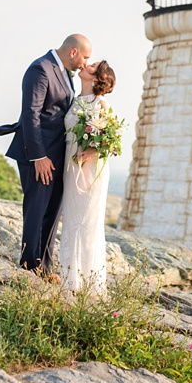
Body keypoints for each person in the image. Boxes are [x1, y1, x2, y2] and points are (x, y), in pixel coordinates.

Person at [0, 34, 91, 274]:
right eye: (86, 57)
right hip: (38, 156)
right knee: (36, 209)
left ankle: (44, 266)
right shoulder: (40, 69)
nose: (87, 62)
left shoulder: (65, 72)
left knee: (52, 212)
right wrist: (39, 157)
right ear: (73, 52)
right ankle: (29, 265)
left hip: (57, 156)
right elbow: (31, 114)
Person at [53, 60, 118, 291]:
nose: (86, 65)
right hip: (71, 169)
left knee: (87, 223)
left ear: (97, 79)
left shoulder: (101, 104)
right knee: (71, 221)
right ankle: (70, 280)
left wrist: (87, 152)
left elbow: (110, 141)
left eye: (92, 67)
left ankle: (88, 285)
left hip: (90, 170)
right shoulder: (75, 100)